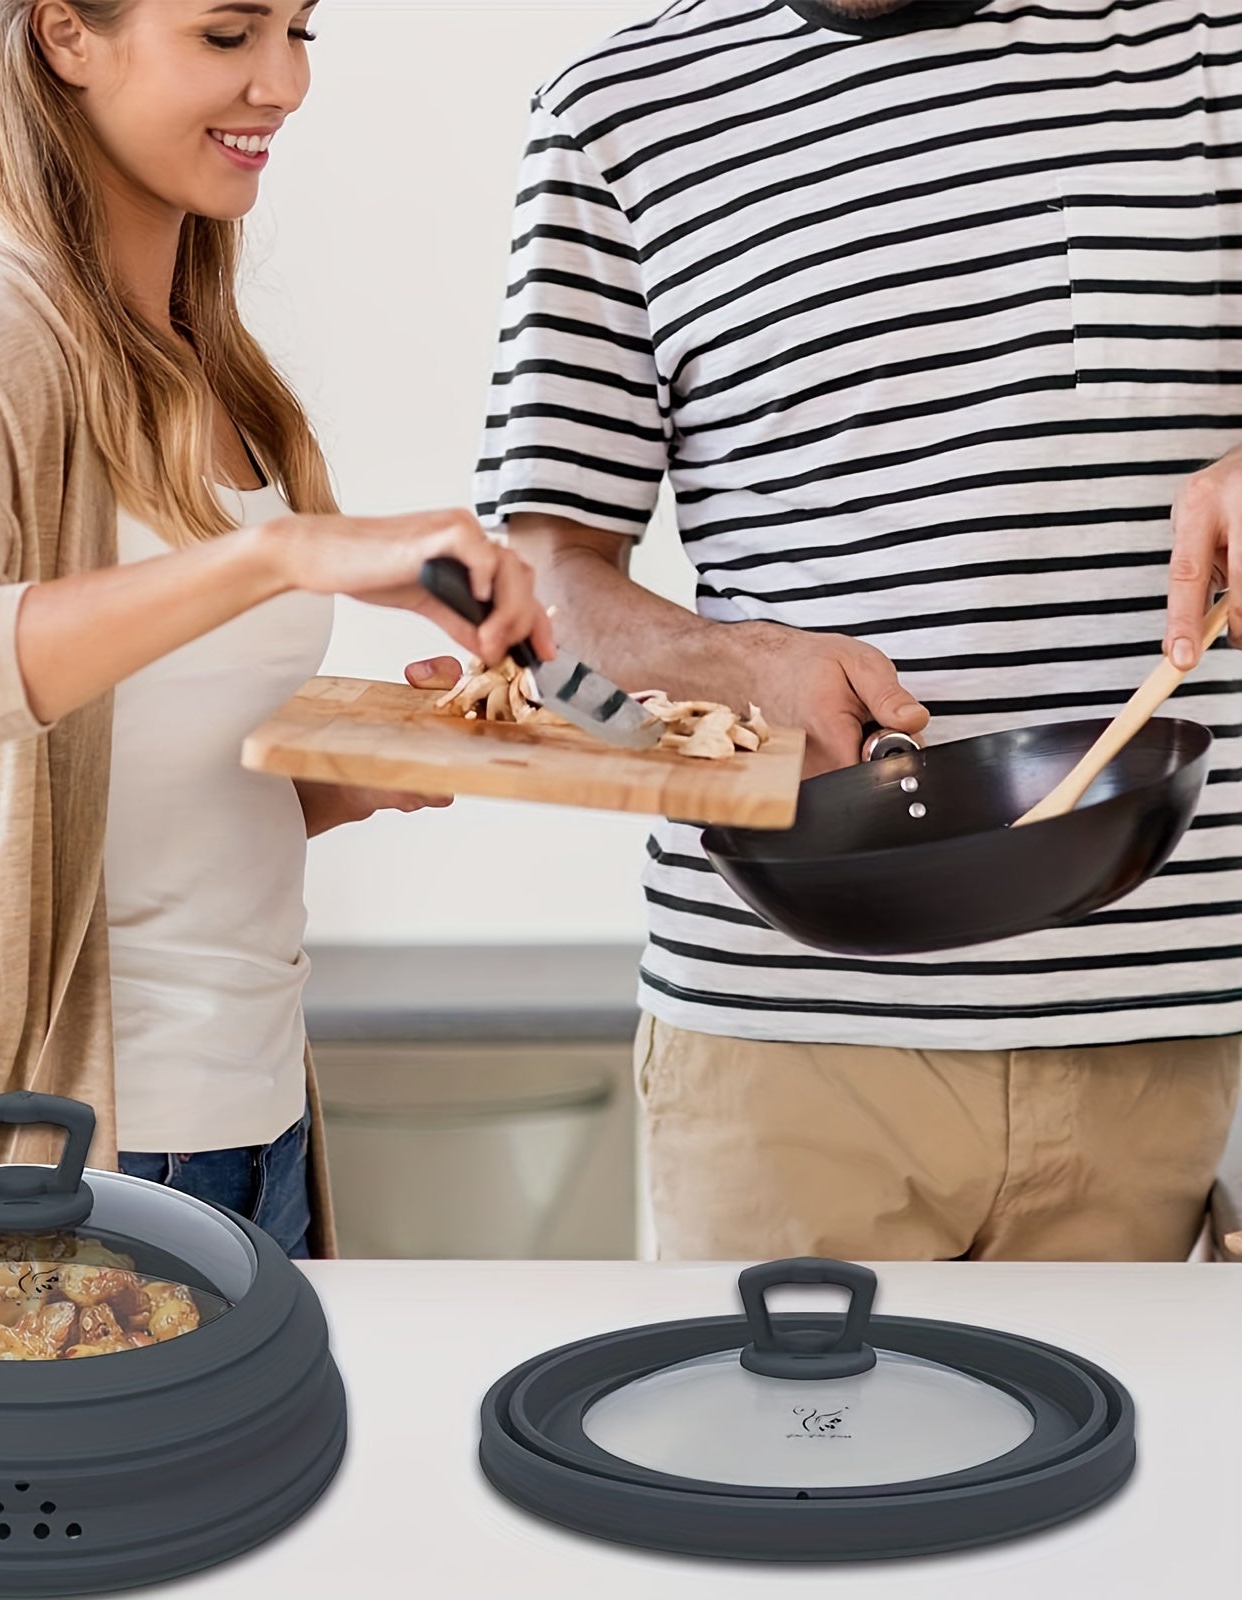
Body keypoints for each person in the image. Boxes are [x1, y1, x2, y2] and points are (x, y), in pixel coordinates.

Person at [475, 0, 1242, 1261]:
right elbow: (534, 584)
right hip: (784, 1038)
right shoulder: (616, 112)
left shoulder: (1205, 45)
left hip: (1177, 1030)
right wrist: (733, 662)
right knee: (775, 1464)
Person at [0, 0, 551, 1259]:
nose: (282, 83)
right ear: (66, 37)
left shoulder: (215, 366)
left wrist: (349, 777)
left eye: (303, 31)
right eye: (228, 35)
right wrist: (277, 554)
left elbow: (145, 785)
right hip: (85, 1158)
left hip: (258, 1125)